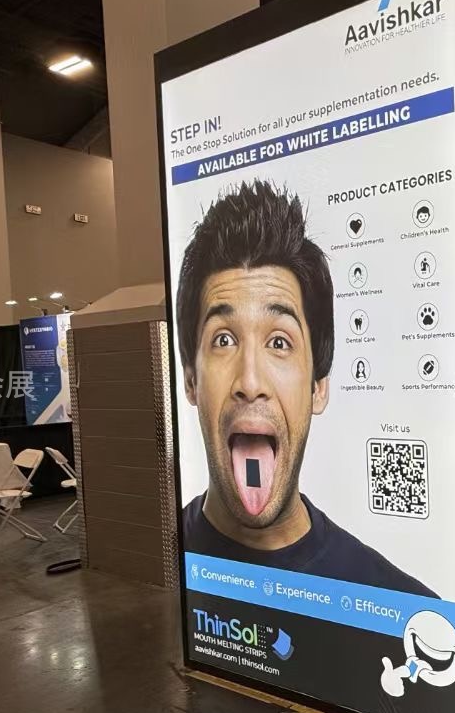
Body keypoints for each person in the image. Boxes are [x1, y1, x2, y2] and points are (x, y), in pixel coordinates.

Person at [175, 179, 434, 596]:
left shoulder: (402, 606)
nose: (251, 382)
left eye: (279, 342)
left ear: (318, 387)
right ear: (191, 381)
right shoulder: (156, 572)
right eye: (223, 339)